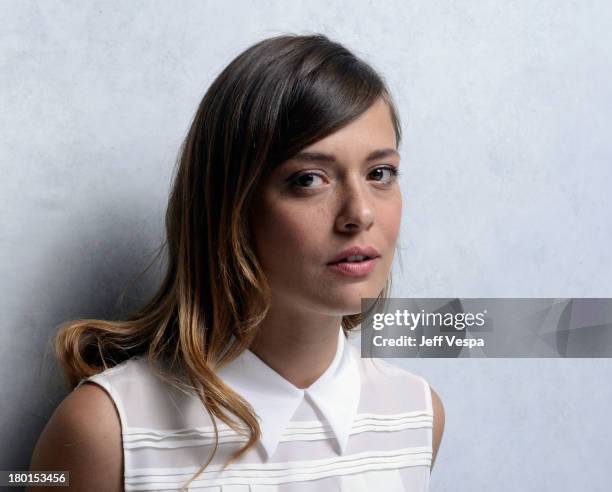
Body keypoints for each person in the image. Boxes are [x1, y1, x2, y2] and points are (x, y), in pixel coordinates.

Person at [28, 33, 445, 491]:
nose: (361, 213)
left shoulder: (418, 414)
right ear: (231, 205)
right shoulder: (103, 430)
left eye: (379, 173)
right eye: (309, 179)